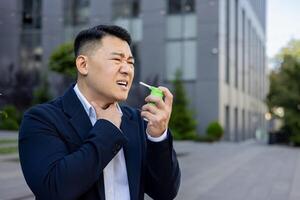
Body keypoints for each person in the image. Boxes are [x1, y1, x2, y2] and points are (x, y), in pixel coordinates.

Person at [19, 25, 180, 200]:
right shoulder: (42, 119)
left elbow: (165, 193)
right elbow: (54, 190)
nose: (127, 69)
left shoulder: (138, 121)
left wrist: (158, 136)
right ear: (83, 64)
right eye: (117, 60)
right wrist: (107, 129)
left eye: (131, 62)